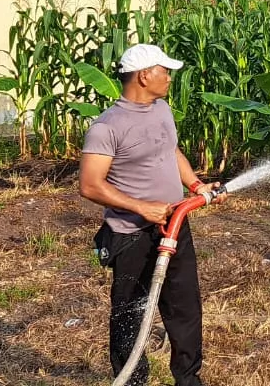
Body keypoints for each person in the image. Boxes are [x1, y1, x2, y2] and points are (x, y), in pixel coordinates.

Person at [79, 43, 225, 386]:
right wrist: (141, 207)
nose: (170, 78)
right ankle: (132, 380)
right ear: (144, 76)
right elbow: (90, 185)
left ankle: (189, 380)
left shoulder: (161, 110)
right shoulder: (107, 127)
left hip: (174, 226)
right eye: (165, 71)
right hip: (130, 235)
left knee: (184, 307)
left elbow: (169, 149)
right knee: (131, 313)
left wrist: (195, 184)